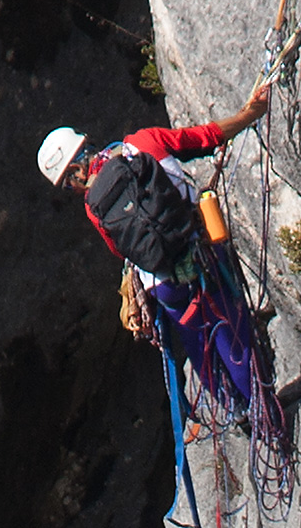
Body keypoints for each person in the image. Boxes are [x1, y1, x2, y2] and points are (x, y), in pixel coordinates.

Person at [36, 84, 273, 404]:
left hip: (164, 284)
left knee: (198, 346)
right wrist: (250, 114)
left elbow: (120, 250)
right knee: (234, 337)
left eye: (68, 185)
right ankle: (267, 417)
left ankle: (236, 410)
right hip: (202, 253)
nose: (72, 190)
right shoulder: (144, 142)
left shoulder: (94, 206)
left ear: (77, 171)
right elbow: (208, 137)